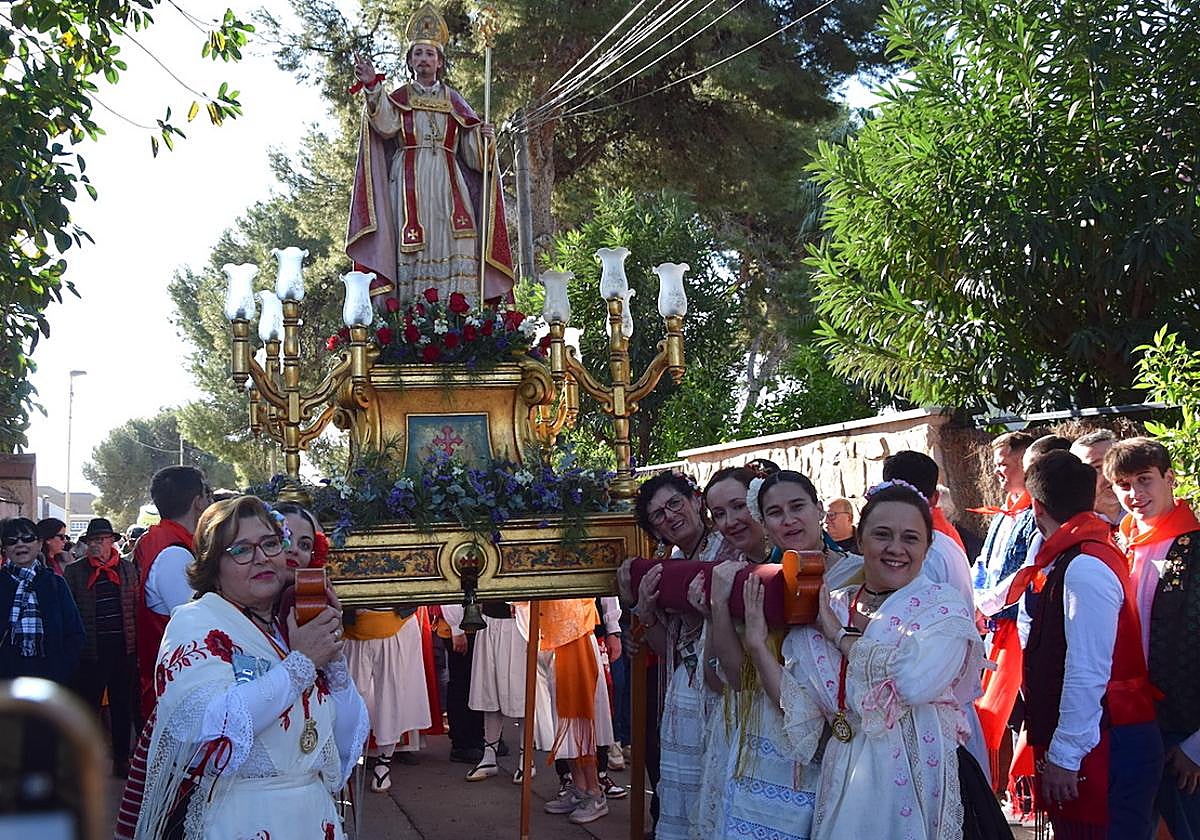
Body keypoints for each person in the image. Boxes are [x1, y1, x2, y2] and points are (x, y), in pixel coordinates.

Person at [748, 481, 1005, 839]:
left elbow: (911, 684)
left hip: (926, 778)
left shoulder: (942, 608)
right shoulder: (832, 605)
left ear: (927, 547)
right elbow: (804, 713)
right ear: (861, 540)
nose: (896, 549)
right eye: (882, 535)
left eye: (910, 538)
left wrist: (838, 635)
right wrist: (758, 646)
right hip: (849, 784)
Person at [129, 496, 369, 839]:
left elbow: (346, 740)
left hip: (314, 818)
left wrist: (333, 665)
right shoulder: (196, 623)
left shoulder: (289, 627)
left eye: (269, 544)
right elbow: (209, 729)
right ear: (214, 567)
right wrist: (301, 664)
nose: (261, 558)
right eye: (241, 550)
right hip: (242, 819)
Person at [1004, 449, 1162, 837]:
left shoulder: (1084, 565)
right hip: (1108, 732)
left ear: (1036, 507)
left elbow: (1087, 670)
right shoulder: (1078, 554)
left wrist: (1065, 755)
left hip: (1111, 738)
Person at [347, 2, 514, 308]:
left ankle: (460, 318)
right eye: (418, 54)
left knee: (458, 239)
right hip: (409, 182)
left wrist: (484, 140)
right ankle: (415, 319)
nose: (424, 59)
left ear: (440, 62)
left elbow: (474, 158)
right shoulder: (399, 98)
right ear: (410, 61)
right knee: (414, 247)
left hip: (450, 184)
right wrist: (372, 87)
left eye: (430, 54)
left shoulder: (454, 101)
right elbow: (383, 125)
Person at [687, 463, 820, 840]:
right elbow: (726, 678)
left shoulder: (851, 574)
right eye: (719, 514)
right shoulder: (744, 578)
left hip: (817, 735)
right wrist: (717, 611)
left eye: (738, 506)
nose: (731, 521)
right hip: (755, 730)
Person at [620, 471, 736, 840]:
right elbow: (662, 644)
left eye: (674, 503)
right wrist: (643, 611)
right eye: (658, 515)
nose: (669, 516)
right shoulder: (668, 562)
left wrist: (712, 610)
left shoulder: (728, 548)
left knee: (715, 790)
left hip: (724, 685)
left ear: (696, 501)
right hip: (684, 689)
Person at [1105, 437, 1200, 839]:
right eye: (1124, 485)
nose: (1135, 494)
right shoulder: (1116, 544)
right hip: (1130, 722)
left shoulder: (1195, 548)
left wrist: (1197, 746)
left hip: (1186, 727)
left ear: (1170, 479)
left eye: (1145, 480)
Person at [971, 430, 1039, 786]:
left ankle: (1023, 790)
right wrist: (976, 597)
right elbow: (984, 562)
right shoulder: (1002, 514)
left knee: (1022, 709)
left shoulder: (1033, 515)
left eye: (1004, 464)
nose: (999, 472)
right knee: (1002, 711)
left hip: (1018, 627)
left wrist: (985, 601)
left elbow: (1022, 574)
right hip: (995, 627)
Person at [133, 465, 211, 722]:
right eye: (208, 496)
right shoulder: (174, 553)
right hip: (177, 684)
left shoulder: (160, 539)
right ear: (199, 502)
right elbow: (198, 623)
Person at [63, 517, 138, 777]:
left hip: (123, 649)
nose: (95, 545)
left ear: (111, 542)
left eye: (100, 540)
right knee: (88, 708)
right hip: (91, 652)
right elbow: (69, 612)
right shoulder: (74, 572)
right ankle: (85, 761)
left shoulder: (128, 569)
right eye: (91, 541)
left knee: (121, 706)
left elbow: (136, 607)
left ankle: (121, 759)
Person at [539, 597, 615, 825]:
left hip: (577, 633)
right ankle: (580, 787)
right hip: (550, 634)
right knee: (564, 716)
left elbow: (607, 591)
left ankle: (594, 792)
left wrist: (613, 629)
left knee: (579, 716)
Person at [1, 516, 84, 684]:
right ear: (4, 548)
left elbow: (75, 632)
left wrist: (61, 668)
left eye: (28, 538)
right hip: (5, 681)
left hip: (49, 678)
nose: (20, 544)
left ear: (39, 544)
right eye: (12, 540)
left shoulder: (55, 583)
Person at [1070, 429, 1124, 525]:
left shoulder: (1148, 512)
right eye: (1098, 467)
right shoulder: (1070, 525)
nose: (1110, 474)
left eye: (1115, 463)